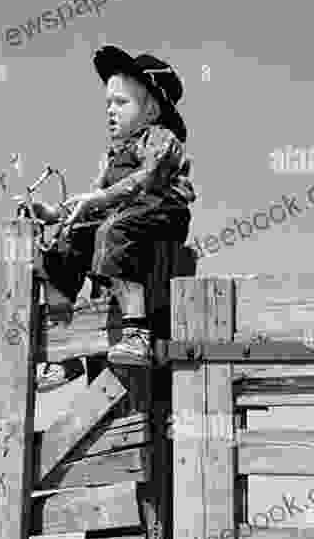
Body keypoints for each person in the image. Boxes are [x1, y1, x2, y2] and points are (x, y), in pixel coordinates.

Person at [23, 46, 196, 390]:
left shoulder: (161, 139)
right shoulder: (111, 156)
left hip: (162, 210)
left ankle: (136, 331)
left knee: (113, 231)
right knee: (59, 245)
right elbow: (94, 198)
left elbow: (147, 179)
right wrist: (55, 213)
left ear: (151, 110)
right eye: (108, 104)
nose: (111, 111)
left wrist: (99, 199)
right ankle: (64, 350)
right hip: (120, 212)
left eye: (121, 103)